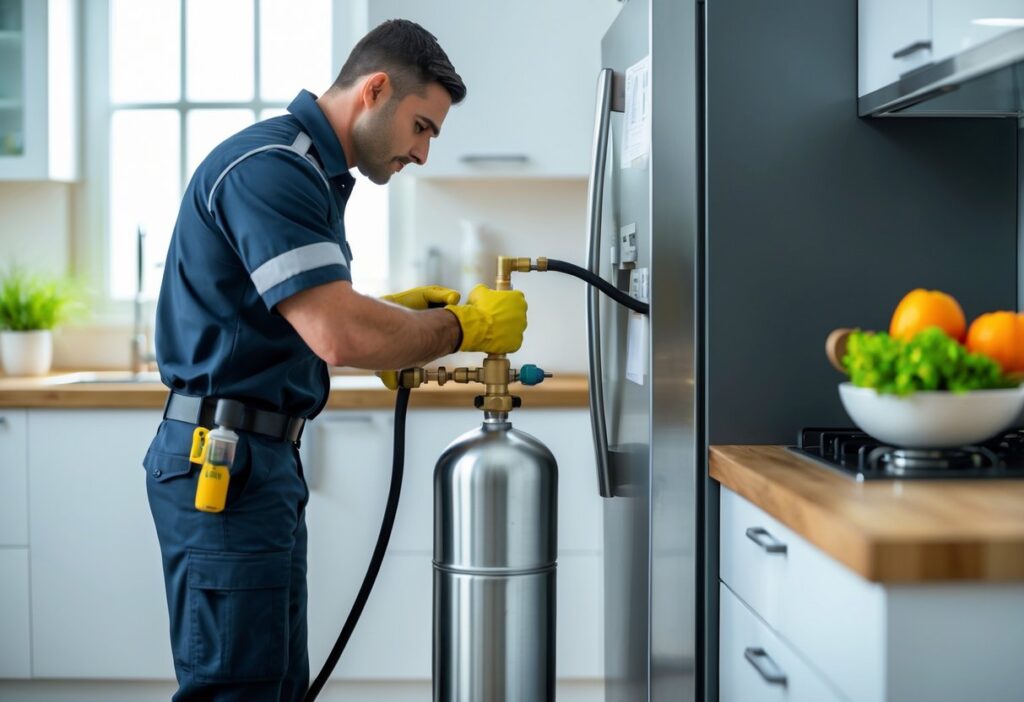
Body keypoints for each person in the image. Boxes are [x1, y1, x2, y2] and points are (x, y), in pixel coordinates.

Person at [143, 19, 527, 701]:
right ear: (375, 89)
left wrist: (401, 318)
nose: (423, 152)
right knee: (239, 690)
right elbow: (338, 334)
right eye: (422, 127)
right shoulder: (275, 168)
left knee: (275, 686)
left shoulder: (307, 171)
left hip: (255, 463)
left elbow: (298, 312)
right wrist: (460, 326)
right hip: (224, 461)